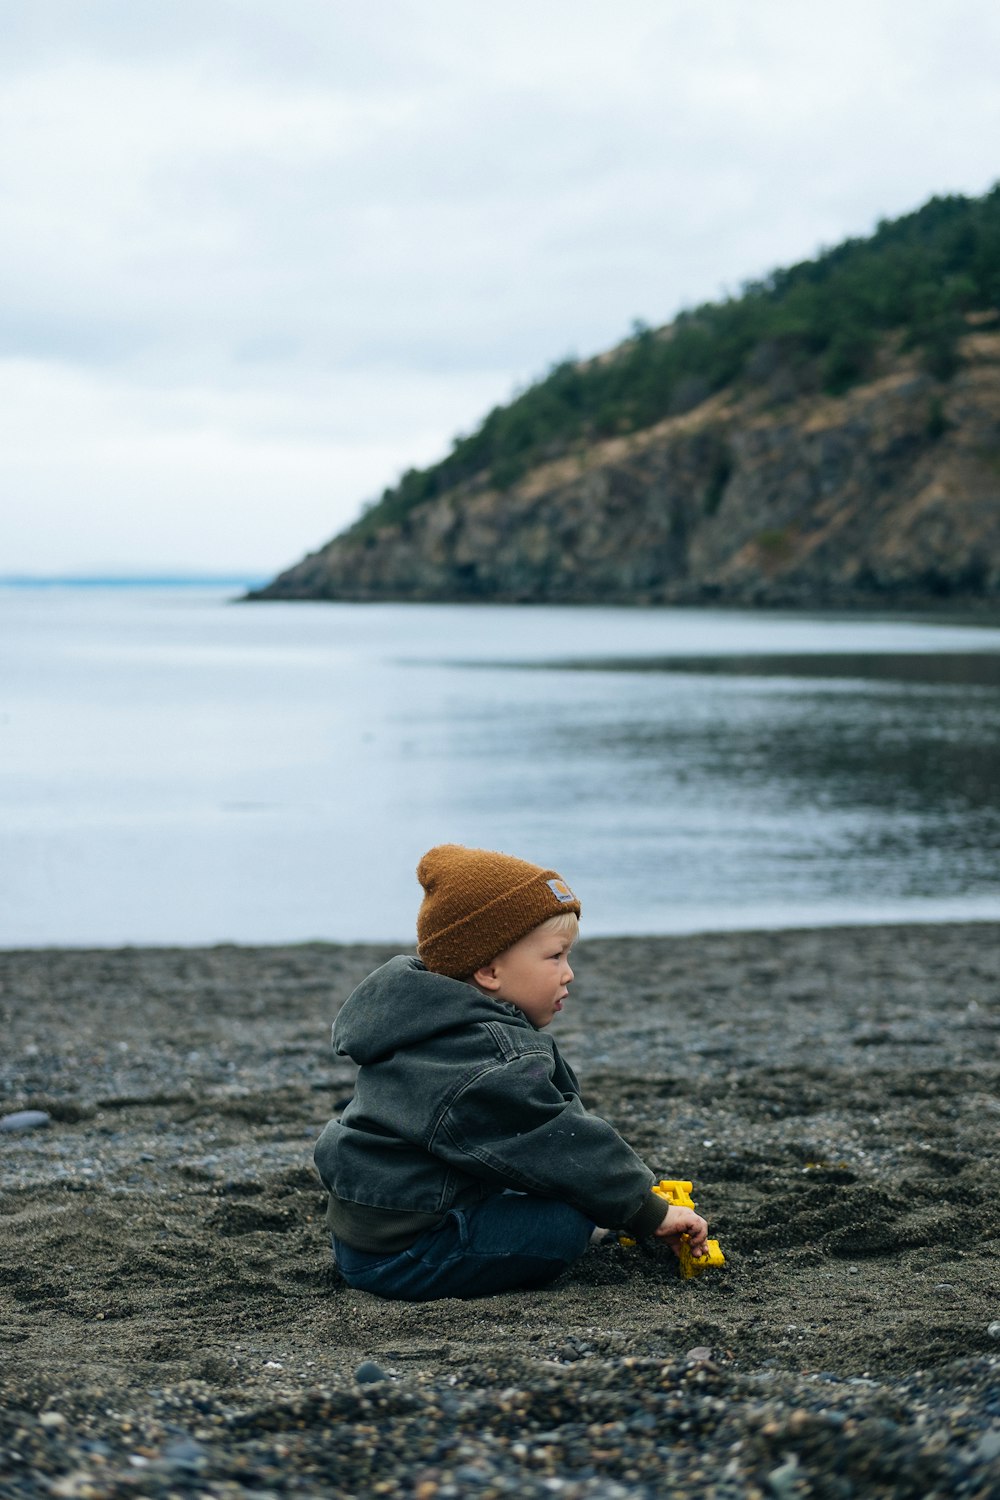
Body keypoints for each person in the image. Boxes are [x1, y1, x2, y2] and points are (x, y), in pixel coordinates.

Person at [313, 844, 709, 1301]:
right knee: (567, 1219)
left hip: (373, 1235)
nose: (569, 974)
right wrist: (646, 1210)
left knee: (564, 1196)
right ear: (489, 970)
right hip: (406, 1255)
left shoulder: (432, 1025)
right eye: (555, 957)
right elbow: (554, 1140)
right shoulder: (484, 1057)